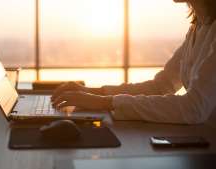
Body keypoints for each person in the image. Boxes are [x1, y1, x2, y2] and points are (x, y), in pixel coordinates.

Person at [51, 0, 216, 124]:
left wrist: (103, 103)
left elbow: (194, 108)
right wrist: (93, 92)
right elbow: (161, 86)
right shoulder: (199, 26)